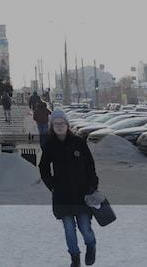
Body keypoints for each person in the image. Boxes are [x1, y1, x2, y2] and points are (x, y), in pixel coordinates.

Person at [40, 111, 100, 266]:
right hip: (62, 195)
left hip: (82, 193)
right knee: (68, 228)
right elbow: (43, 168)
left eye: (62, 123)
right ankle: (75, 257)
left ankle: (91, 245)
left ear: (67, 125)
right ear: (52, 126)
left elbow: (90, 165)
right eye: (56, 124)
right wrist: (52, 186)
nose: (59, 126)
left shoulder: (78, 142)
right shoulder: (50, 145)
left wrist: (93, 185)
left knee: (84, 227)